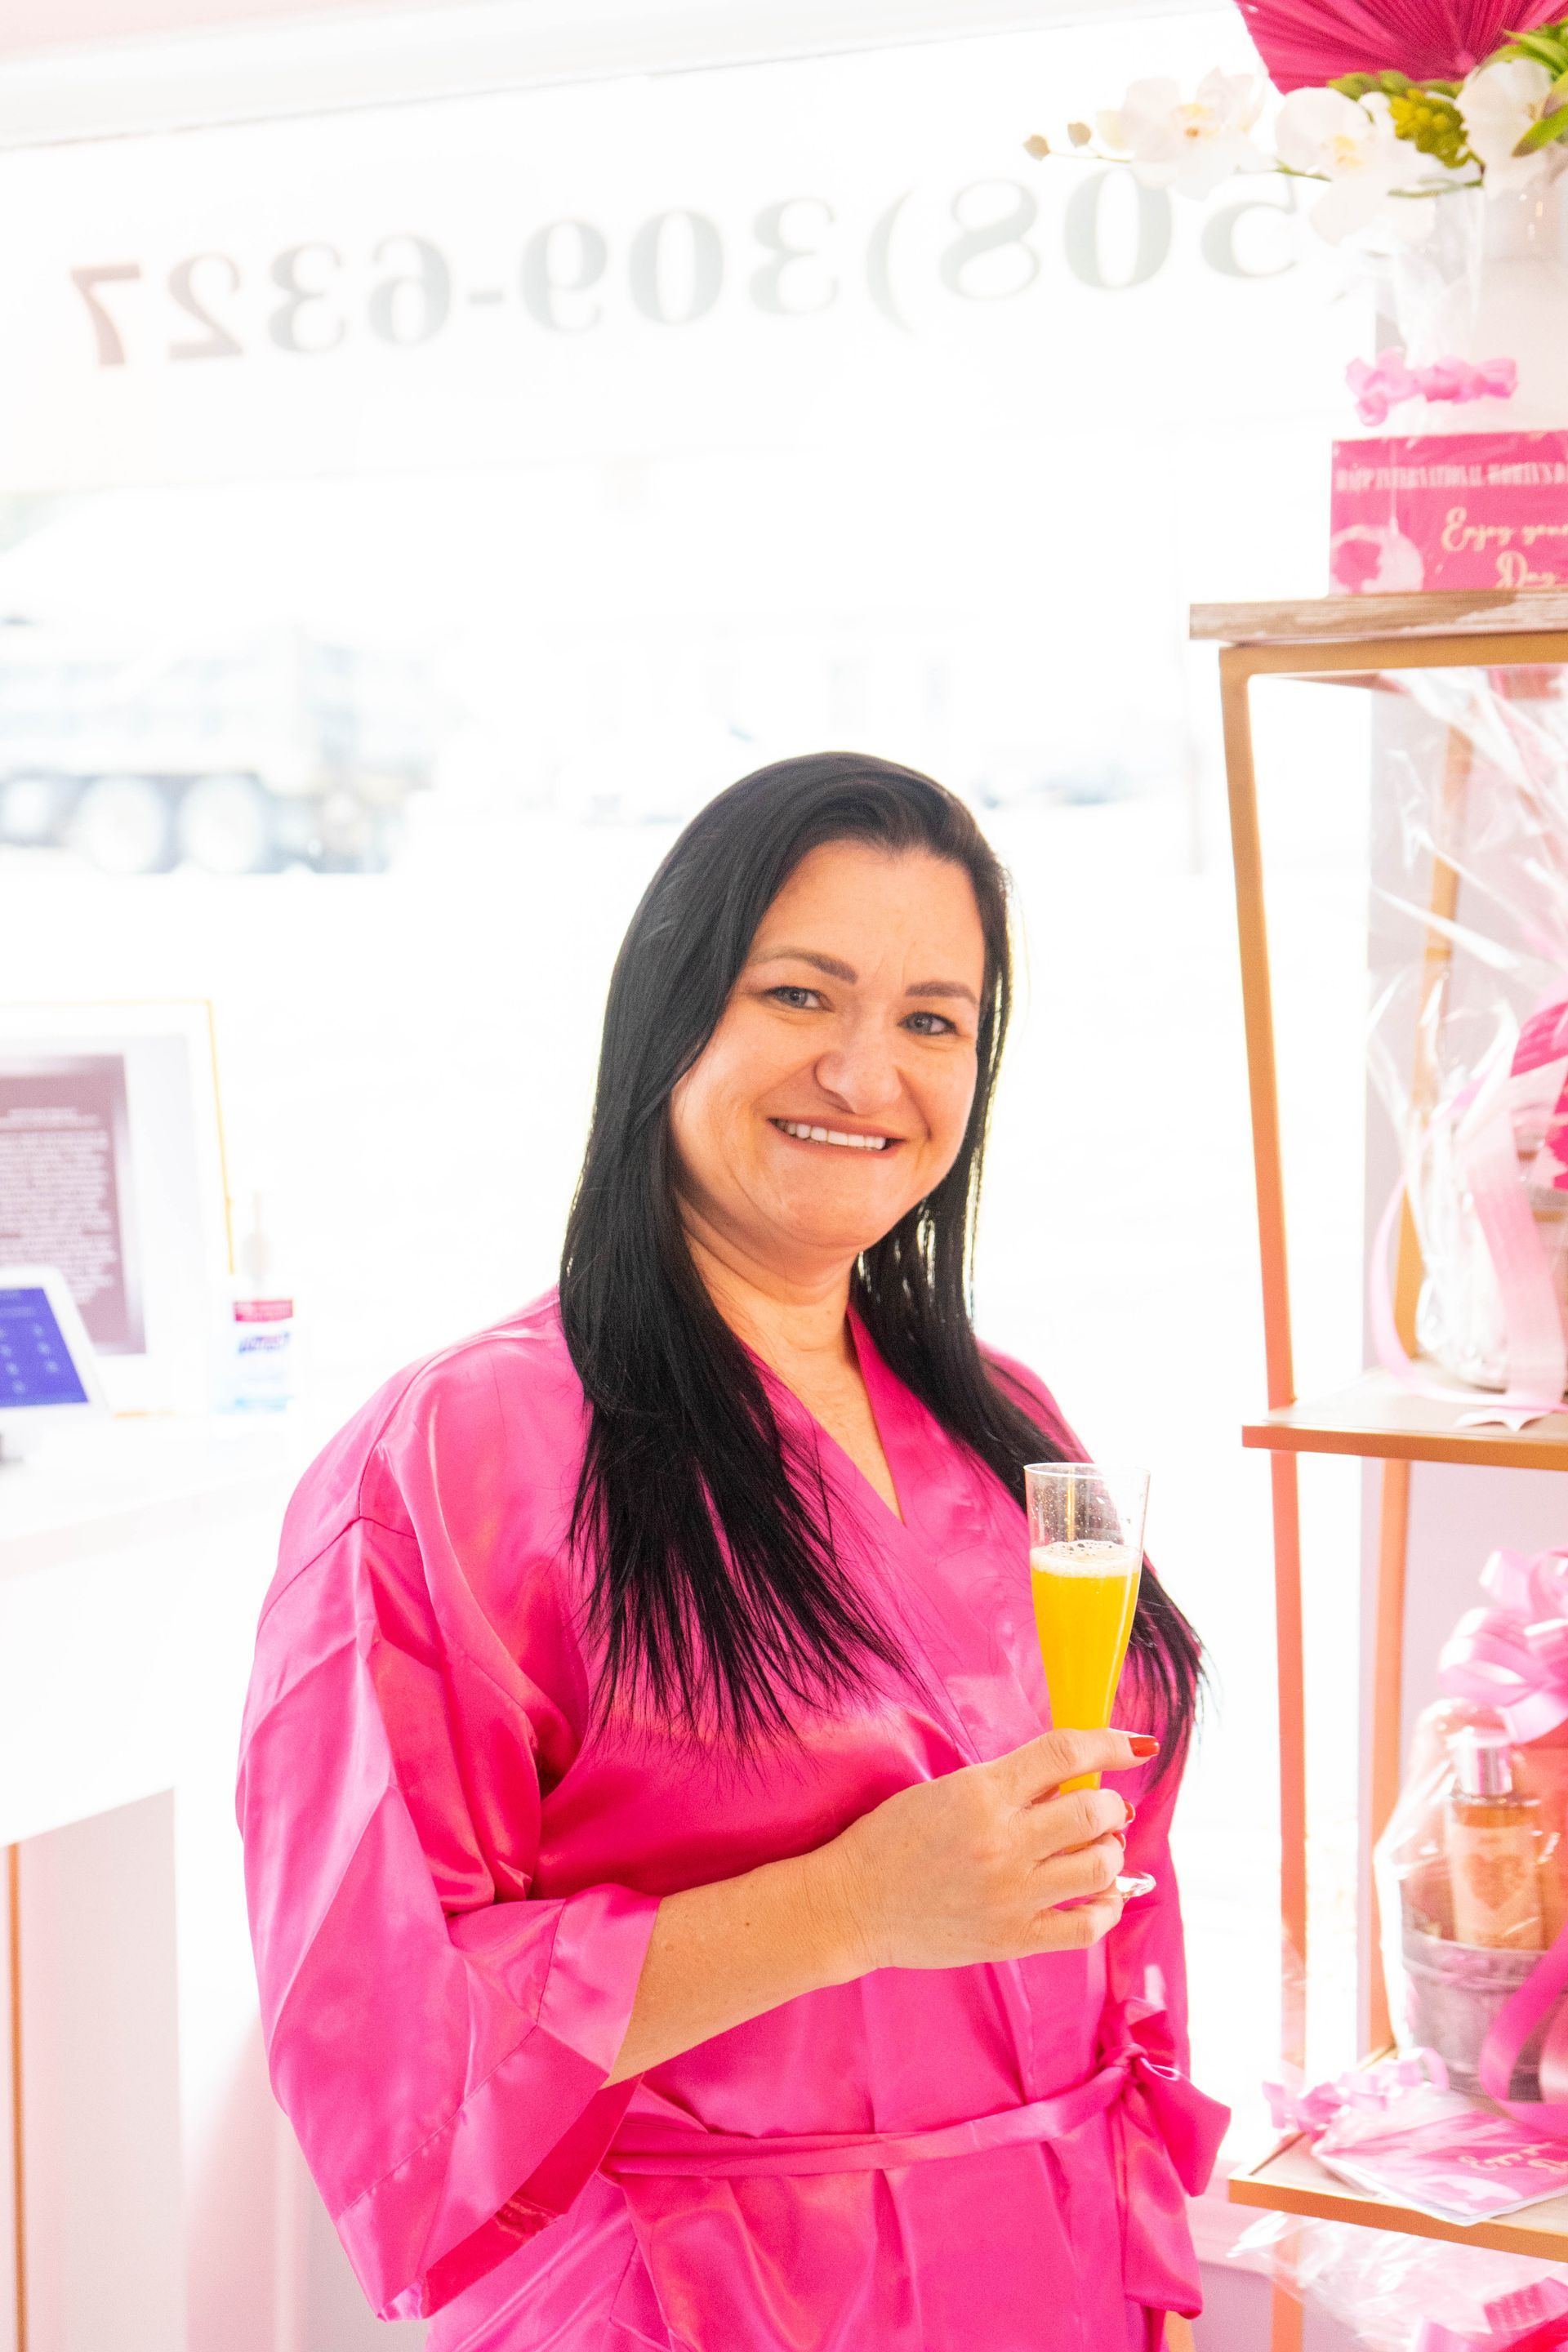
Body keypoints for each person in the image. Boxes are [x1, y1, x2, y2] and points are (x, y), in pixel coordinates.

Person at [236, 751, 1226, 2352]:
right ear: (670, 1007)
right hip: (692, 2305)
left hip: (1054, 2278)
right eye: (798, 994)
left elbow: (1113, 1883)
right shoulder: (457, 1457)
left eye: (930, 1021)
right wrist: (846, 1905)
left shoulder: (1013, 1423)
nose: (863, 1072)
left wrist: (1151, 2271)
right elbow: (391, 2021)